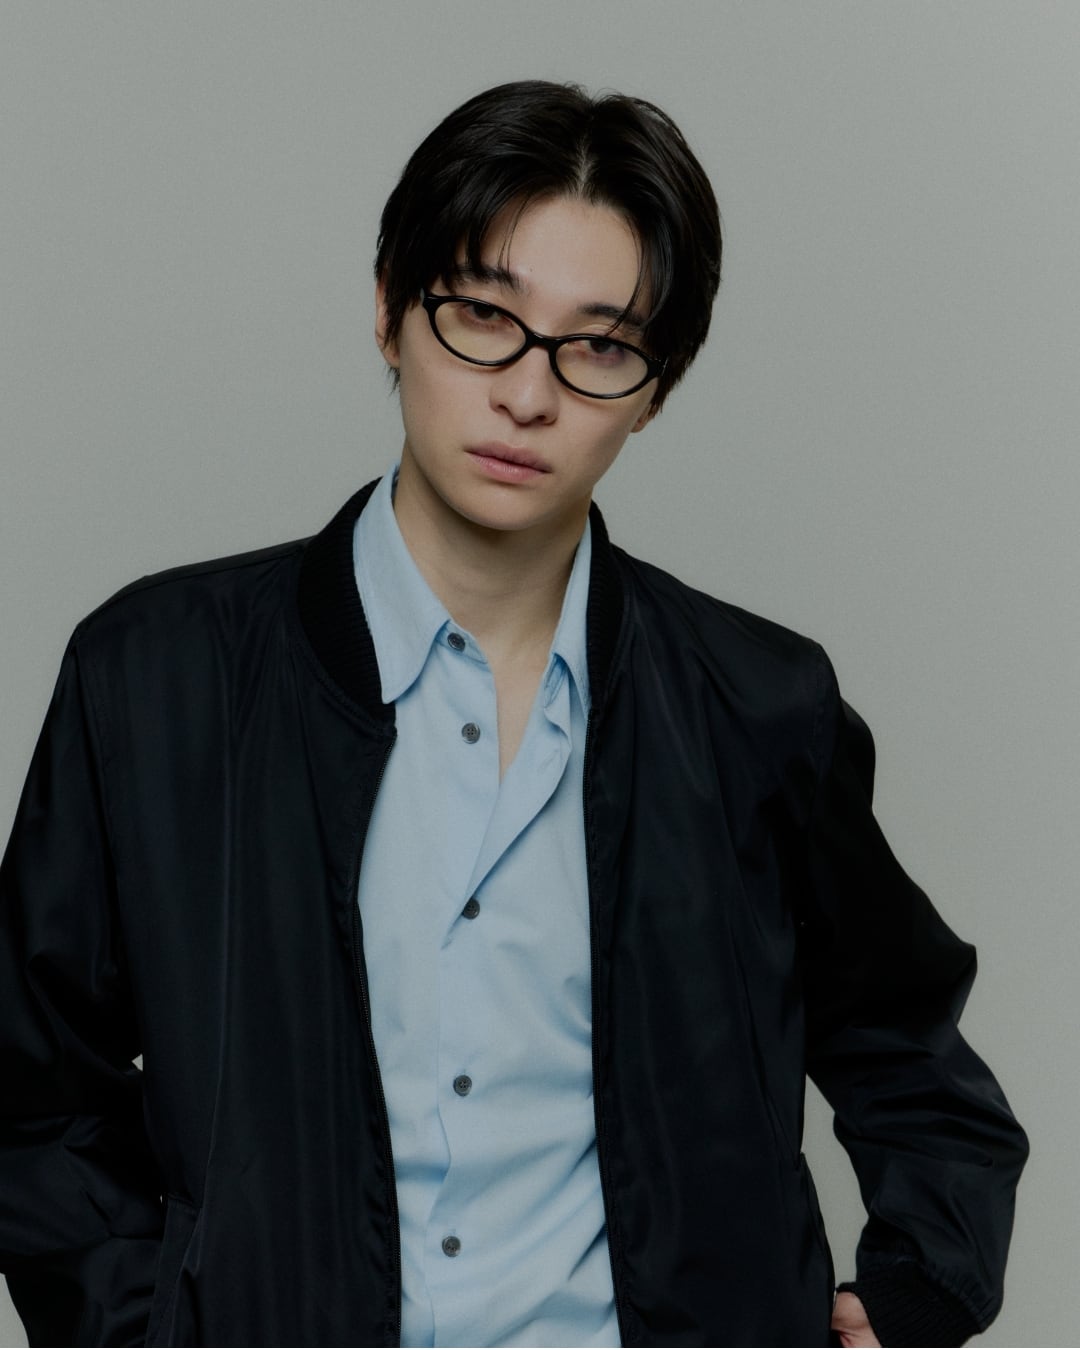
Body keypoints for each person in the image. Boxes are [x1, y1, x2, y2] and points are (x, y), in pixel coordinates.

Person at [0, 80, 1026, 1348]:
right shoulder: (156, 680)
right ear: (391, 308)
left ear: (656, 386)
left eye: (599, 345)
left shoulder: (758, 705)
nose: (529, 395)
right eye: (483, 315)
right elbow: (33, 1097)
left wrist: (915, 1292)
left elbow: (904, 1037)